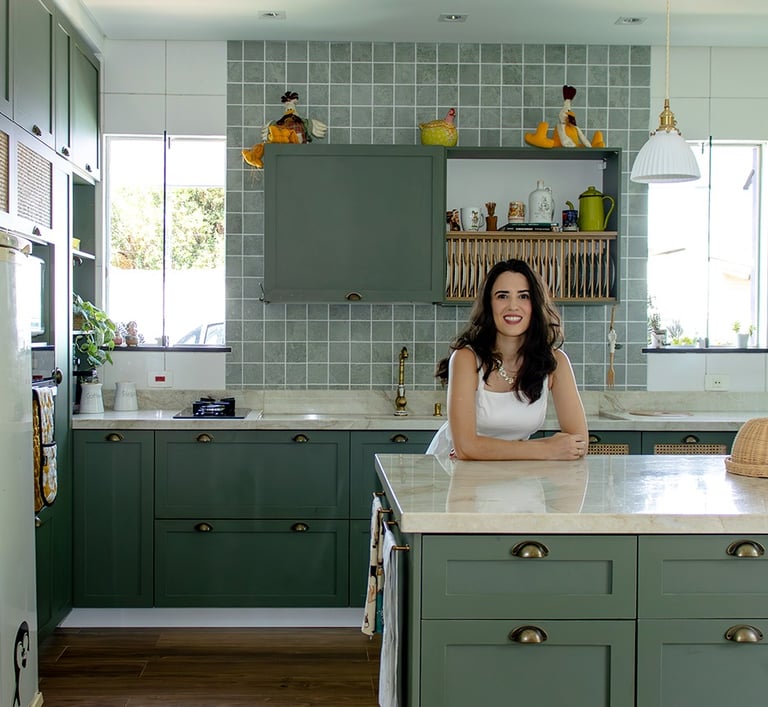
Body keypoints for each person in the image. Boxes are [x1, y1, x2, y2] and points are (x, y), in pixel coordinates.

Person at [427, 258, 588, 461]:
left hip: (516, 470)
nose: (513, 306)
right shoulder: (466, 359)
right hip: (454, 472)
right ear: (489, 304)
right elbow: (465, 447)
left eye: (523, 296)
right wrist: (545, 449)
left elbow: (579, 443)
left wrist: (526, 451)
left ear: (535, 304)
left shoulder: (555, 363)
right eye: (502, 296)